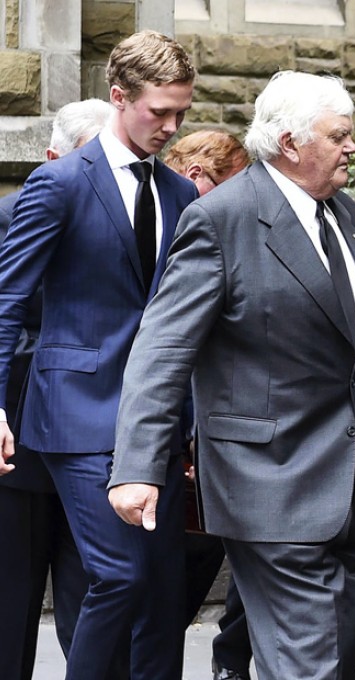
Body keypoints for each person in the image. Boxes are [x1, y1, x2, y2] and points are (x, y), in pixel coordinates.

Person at [107, 70, 355, 680]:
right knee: (306, 668)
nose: (352, 148)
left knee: (330, 667)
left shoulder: (349, 217)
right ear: (290, 142)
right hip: (269, 486)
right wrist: (136, 467)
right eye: (339, 136)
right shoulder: (221, 219)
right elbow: (160, 352)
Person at [0, 31, 197, 680]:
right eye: (158, 112)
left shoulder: (179, 195)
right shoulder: (57, 184)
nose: (171, 127)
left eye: (181, 113)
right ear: (120, 97)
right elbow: (7, 300)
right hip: (75, 413)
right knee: (119, 572)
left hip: (153, 423)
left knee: (151, 587)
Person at [0, 98, 110, 680]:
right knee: (11, 601)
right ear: (52, 158)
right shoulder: (9, 216)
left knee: (91, 596)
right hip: (20, 443)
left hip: (92, 443)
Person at [164, 129, 254, 680]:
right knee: (173, 585)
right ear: (200, 177)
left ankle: (230, 666)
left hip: (220, 435)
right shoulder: (189, 229)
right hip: (181, 442)